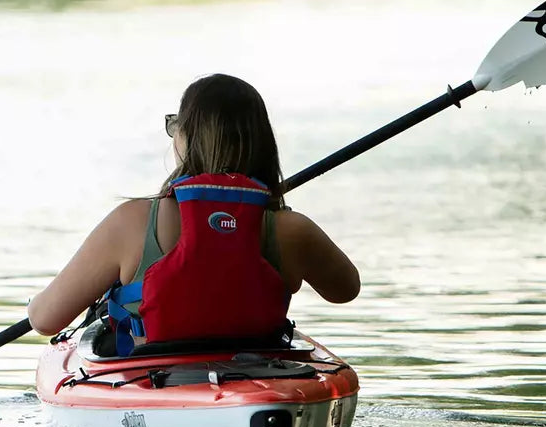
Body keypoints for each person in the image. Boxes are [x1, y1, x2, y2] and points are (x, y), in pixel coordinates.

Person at [27, 74, 359, 349]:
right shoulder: (292, 230)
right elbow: (345, 291)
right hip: (258, 374)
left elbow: (44, 319)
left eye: (176, 125)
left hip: (154, 382)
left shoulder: (131, 222)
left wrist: (34, 302)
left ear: (186, 137)